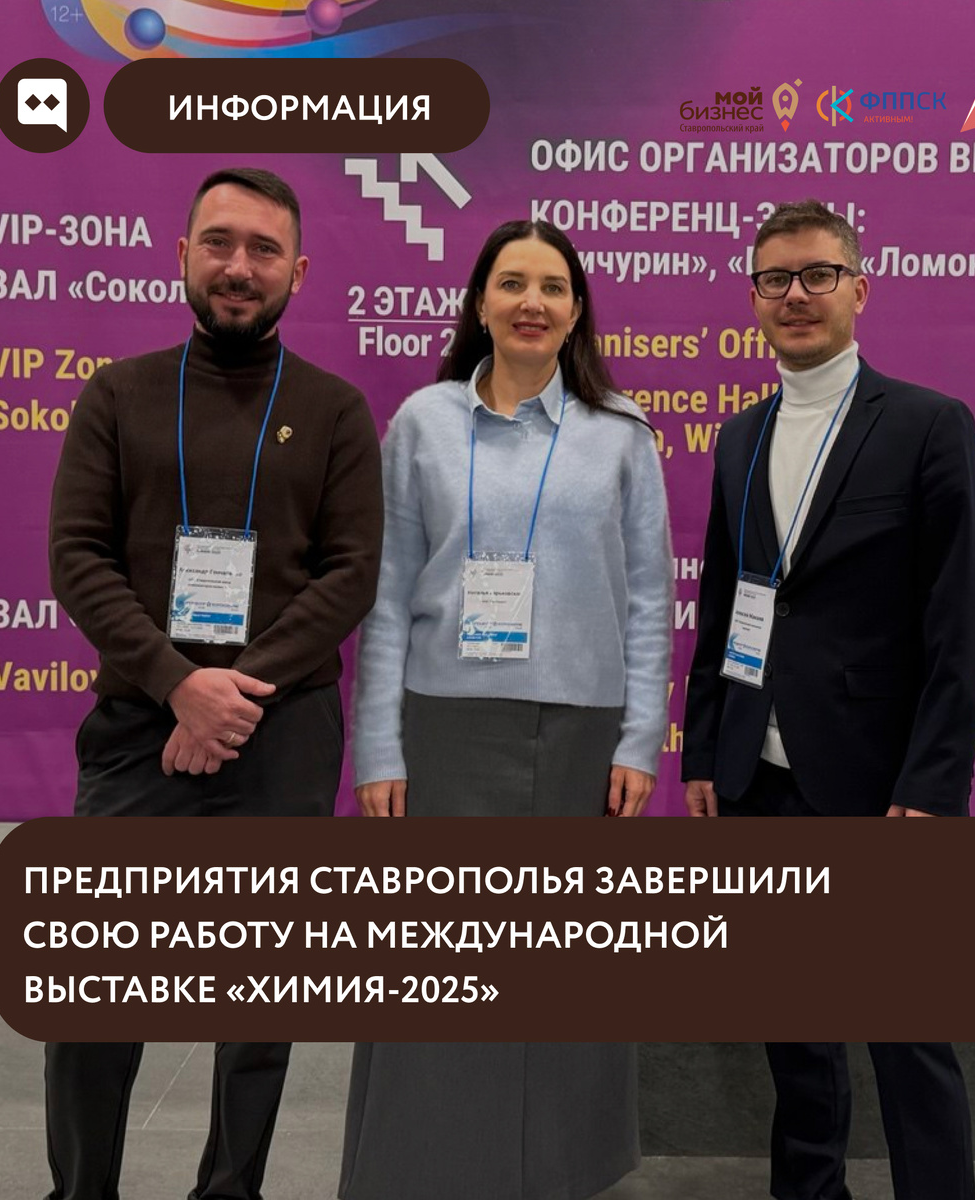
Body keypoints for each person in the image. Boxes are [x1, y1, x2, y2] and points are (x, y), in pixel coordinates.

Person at [45, 166, 383, 1200]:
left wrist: (231, 692)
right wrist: (177, 685)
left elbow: (349, 574)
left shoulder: (334, 410)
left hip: (282, 735)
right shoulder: (117, 394)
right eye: (221, 243)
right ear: (183, 255)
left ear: (298, 271)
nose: (240, 266)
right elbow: (78, 556)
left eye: (263, 249)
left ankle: (230, 1190)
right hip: (138, 727)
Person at [339, 219, 674, 1199]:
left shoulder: (621, 434)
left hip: (580, 735)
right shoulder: (421, 423)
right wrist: (378, 748)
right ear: (479, 302)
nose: (533, 302)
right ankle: (426, 1171)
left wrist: (639, 741)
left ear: (576, 311)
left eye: (553, 287)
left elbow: (648, 598)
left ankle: (559, 1172)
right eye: (512, 282)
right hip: (444, 729)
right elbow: (388, 593)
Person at [682, 199, 975, 1200]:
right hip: (758, 776)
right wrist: (704, 752)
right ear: (753, 299)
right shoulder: (740, 437)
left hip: (877, 786)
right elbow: (726, 601)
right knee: (794, 1026)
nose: (796, 295)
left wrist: (932, 788)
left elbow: (958, 625)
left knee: (908, 1033)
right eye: (775, 278)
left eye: (817, 274)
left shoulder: (927, 424)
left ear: (859, 289)